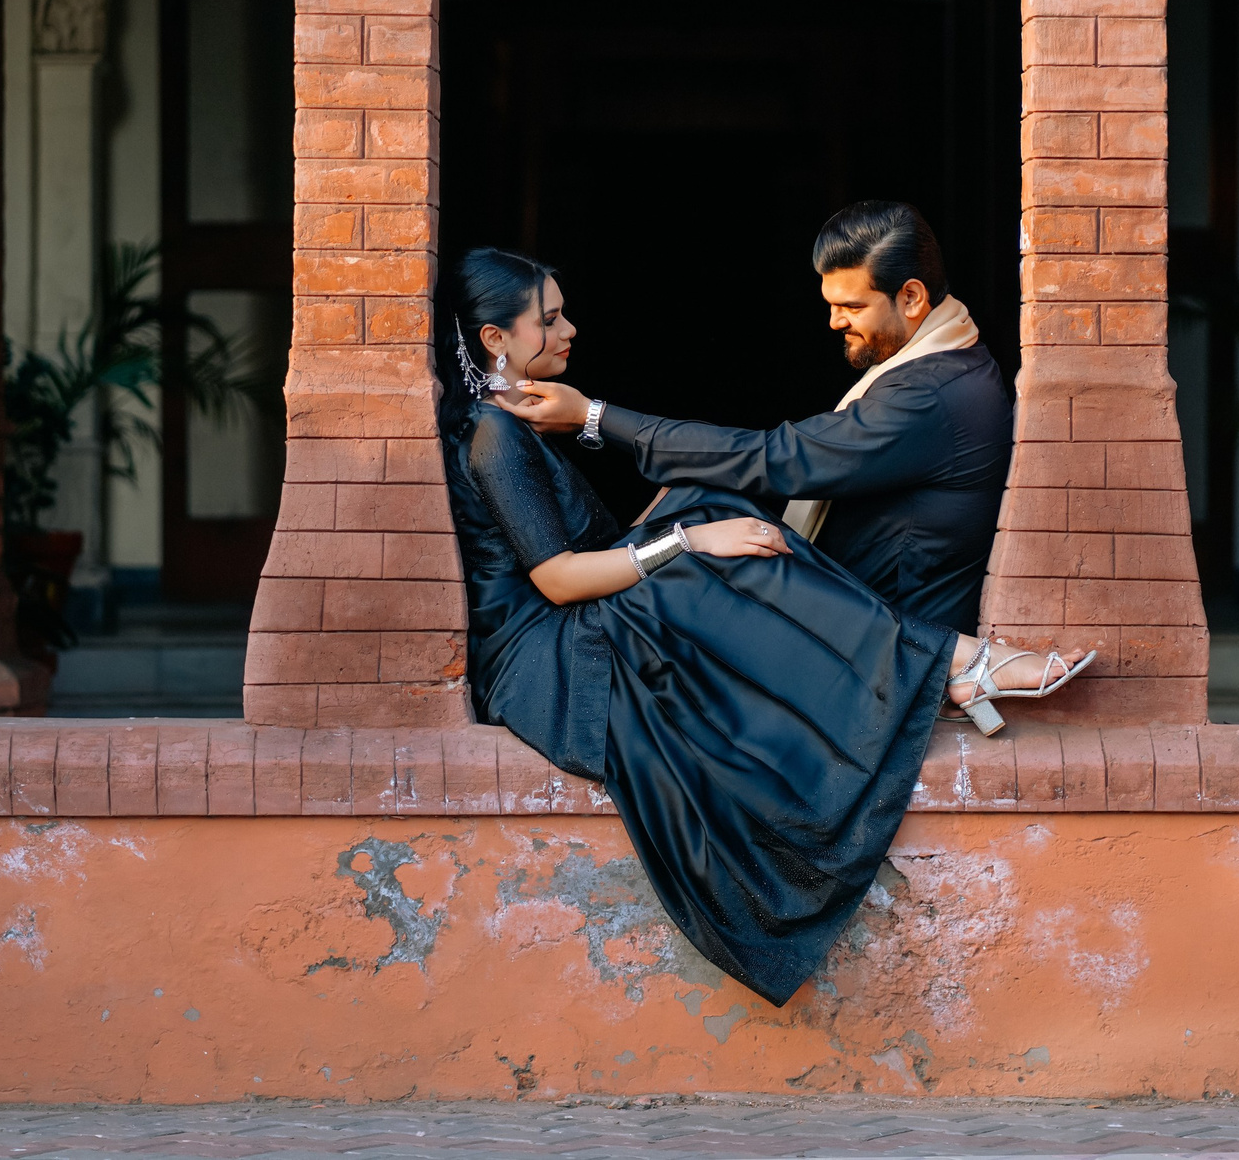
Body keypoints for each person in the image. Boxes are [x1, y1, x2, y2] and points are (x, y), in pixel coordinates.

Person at [440, 246, 1091, 1007]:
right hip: (547, 662)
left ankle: (928, 661)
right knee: (704, 543)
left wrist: (687, 515)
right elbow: (556, 580)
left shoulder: (512, 422)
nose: (569, 330)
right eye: (549, 320)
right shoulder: (495, 436)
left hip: (571, 620)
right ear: (496, 339)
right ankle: (948, 661)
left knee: (709, 502)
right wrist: (686, 540)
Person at [503, 201, 1011, 636]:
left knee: (702, 514)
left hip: (897, 638)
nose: (834, 321)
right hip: (868, 604)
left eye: (852, 307)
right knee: (700, 501)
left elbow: (779, 458)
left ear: (912, 297)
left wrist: (592, 416)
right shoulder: (946, 362)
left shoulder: (931, 396)